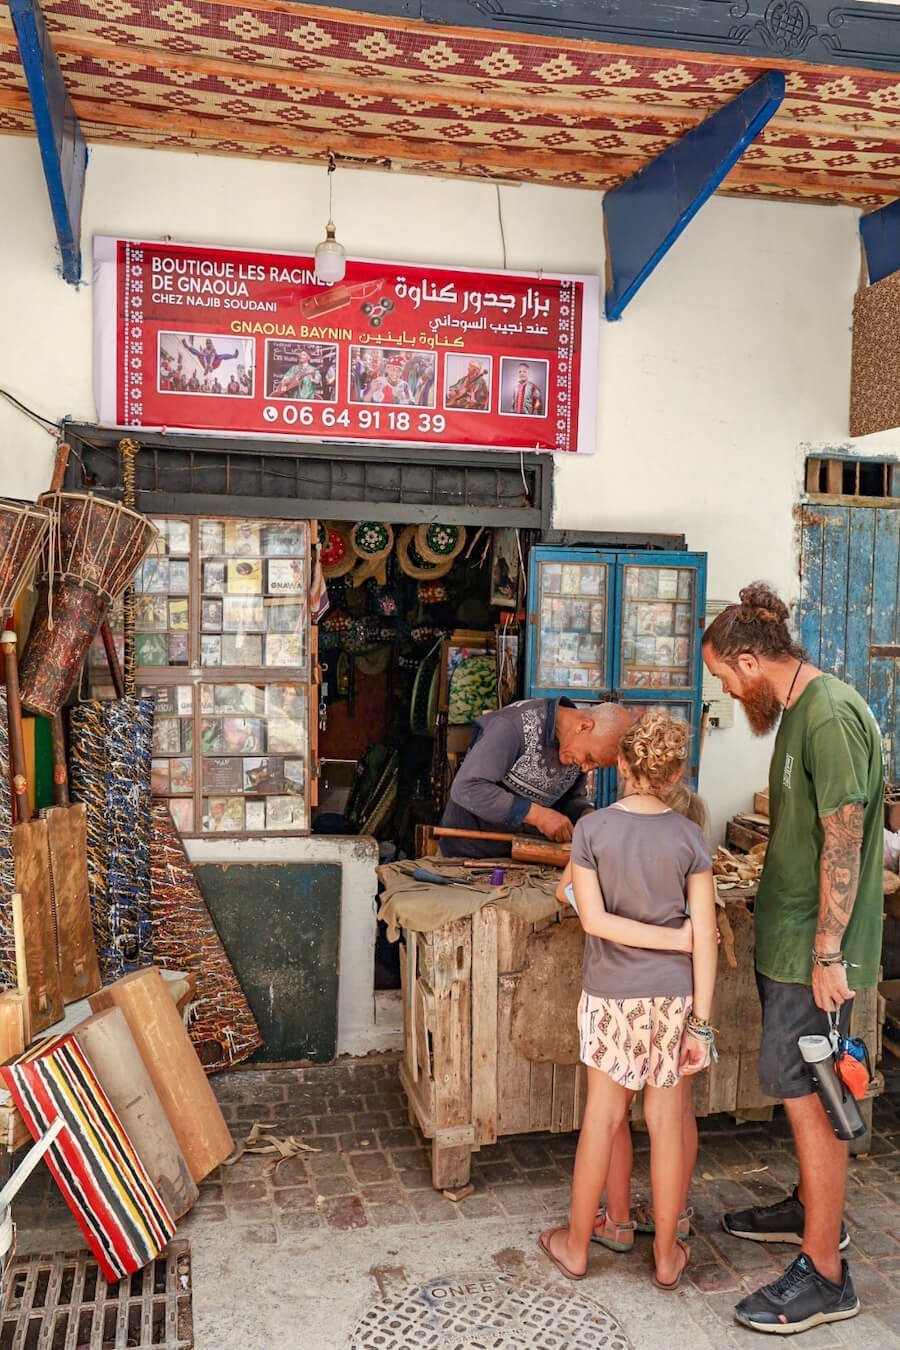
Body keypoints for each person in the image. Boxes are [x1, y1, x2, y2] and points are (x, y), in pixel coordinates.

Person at [703, 583, 883, 1335]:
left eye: (723, 675)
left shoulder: (831, 715)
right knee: (796, 1093)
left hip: (815, 951)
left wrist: (827, 950)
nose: (724, 688)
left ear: (751, 659)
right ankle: (812, 1213)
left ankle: (826, 1273)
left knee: (816, 1105)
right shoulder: (801, 711)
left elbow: (844, 837)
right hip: (790, 941)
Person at [539, 711, 718, 1289]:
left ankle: (576, 1246)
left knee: (603, 1118)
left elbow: (591, 918)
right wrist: (702, 1025)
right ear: (674, 776)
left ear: (621, 764)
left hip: (611, 997)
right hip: (673, 999)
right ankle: (667, 1256)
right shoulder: (691, 837)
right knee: (667, 1123)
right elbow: (706, 940)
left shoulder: (593, 830)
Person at [438, 699, 635, 859]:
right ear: (584, 726)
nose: (585, 768)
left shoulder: (577, 751)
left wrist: (585, 815)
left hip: (522, 858)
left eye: (595, 765)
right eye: (591, 758)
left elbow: (570, 799)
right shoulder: (513, 726)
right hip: (465, 854)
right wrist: (539, 815)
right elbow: (467, 787)